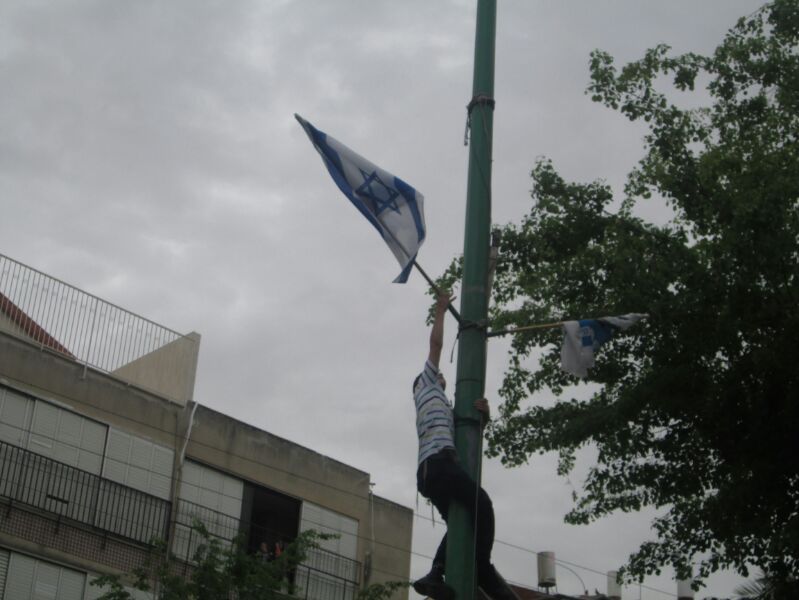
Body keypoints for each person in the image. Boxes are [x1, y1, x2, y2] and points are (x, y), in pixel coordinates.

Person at [412, 291, 516, 600]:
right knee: (482, 503)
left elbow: (467, 429)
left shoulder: (442, 407)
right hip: (439, 464)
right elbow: (436, 346)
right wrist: (441, 310)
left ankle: (435, 572)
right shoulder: (425, 386)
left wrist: (484, 415)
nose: (440, 375)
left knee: (458, 524)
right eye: (438, 375)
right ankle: (482, 567)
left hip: (432, 471)